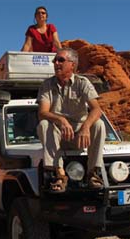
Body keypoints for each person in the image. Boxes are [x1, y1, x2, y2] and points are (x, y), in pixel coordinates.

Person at [36, 47, 106, 192]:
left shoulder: (83, 83)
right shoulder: (47, 85)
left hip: (79, 136)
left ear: (72, 64)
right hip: (57, 137)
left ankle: (93, 173)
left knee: (98, 124)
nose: (56, 63)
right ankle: (59, 174)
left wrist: (86, 127)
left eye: (60, 60)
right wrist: (61, 120)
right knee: (44, 124)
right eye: (55, 60)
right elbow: (42, 113)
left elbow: (97, 109)